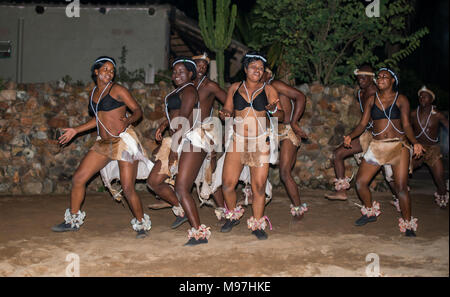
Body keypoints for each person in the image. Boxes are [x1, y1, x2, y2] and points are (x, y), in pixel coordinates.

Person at [52, 56, 152, 238]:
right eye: (105, 69)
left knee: (128, 187)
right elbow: (98, 120)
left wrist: (128, 120)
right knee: (79, 178)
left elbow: (138, 111)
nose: (109, 73)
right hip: (104, 143)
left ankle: (140, 224)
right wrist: (75, 130)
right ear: (96, 71)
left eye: (112, 70)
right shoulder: (94, 94)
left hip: (123, 142)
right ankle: (73, 220)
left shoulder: (118, 90)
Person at [344, 68, 425, 237]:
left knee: (401, 187)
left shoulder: (401, 99)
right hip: (377, 146)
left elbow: (407, 126)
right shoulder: (372, 100)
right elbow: (362, 124)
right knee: (360, 182)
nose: (380, 79)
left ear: (393, 80)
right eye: (379, 76)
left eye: (384, 77)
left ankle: (408, 224)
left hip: (398, 147)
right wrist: (350, 136)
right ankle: (369, 211)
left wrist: (415, 142)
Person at [146, 57, 213, 246]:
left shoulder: (190, 90)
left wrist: (174, 149)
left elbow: (183, 120)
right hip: (176, 138)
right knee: (154, 181)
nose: (176, 75)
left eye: (181, 71)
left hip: (192, 139)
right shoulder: (179, 91)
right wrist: (164, 123)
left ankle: (199, 233)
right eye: (174, 72)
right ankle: (180, 208)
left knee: (182, 187)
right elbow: (177, 115)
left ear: (191, 74)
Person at [219, 52, 283, 240]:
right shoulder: (234, 88)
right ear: (245, 69)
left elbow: (282, 116)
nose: (258, 71)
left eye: (261, 69)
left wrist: (273, 110)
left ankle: (257, 223)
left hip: (260, 141)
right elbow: (228, 110)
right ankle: (232, 215)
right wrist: (224, 113)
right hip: (238, 140)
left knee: (259, 186)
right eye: (254, 67)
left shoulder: (269, 90)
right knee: (228, 185)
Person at [325, 65, 379, 200]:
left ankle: (400, 195)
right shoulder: (361, 93)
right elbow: (364, 121)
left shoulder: (378, 94)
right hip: (367, 134)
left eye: (363, 78)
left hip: (380, 137)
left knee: (390, 172)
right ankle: (341, 191)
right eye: (358, 78)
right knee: (338, 153)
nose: (360, 81)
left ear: (372, 78)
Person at [389, 86, 448, 209]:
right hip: (418, 149)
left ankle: (443, 193)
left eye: (425, 96)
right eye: (420, 95)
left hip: (433, 149)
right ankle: (399, 196)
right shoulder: (412, 114)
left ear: (431, 99)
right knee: (401, 173)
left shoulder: (438, 115)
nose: (422, 98)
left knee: (440, 177)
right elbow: (403, 127)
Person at [261, 68, 308, 219]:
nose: (258, 73)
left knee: (284, 172)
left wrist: (294, 122)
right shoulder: (258, 90)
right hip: (270, 132)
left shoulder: (275, 84)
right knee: (253, 164)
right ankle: (253, 196)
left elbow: (300, 96)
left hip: (287, 131)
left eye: (262, 70)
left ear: (268, 74)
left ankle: (298, 208)